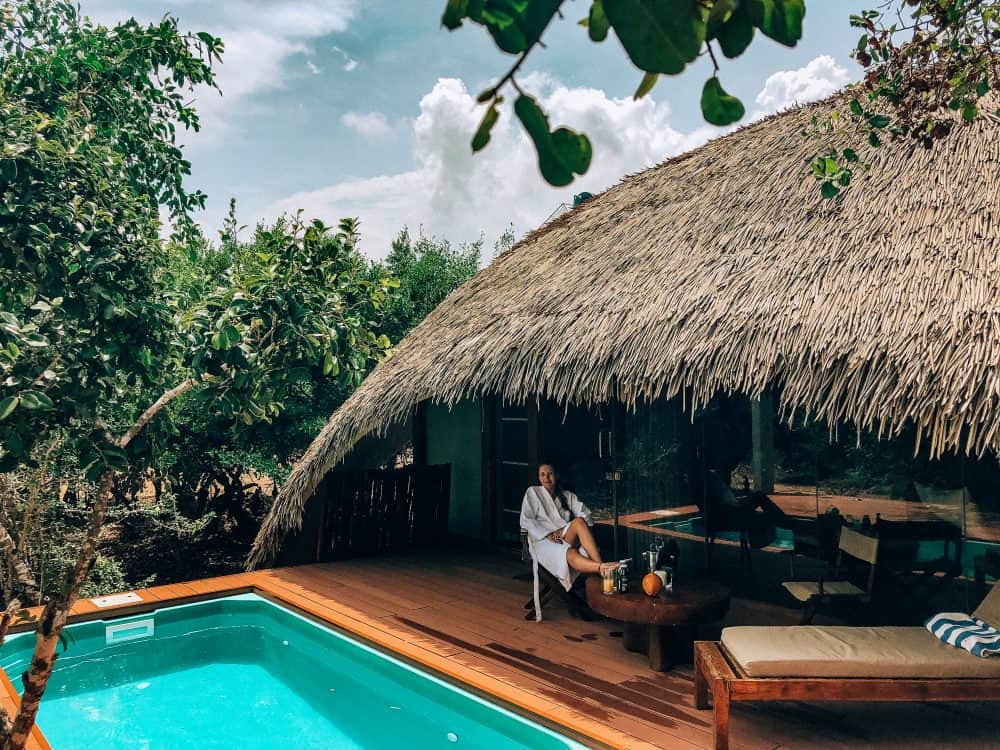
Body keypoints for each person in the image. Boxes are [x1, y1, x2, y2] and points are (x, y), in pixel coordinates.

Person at [520, 462, 621, 595]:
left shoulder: (568, 496)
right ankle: (601, 568)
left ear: (556, 476)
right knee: (570, 553)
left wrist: (563, 529)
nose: (546, 478)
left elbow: (586, 515)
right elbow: (526, 519)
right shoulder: (533, 492)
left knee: (579, 521)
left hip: (565, 537)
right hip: (543, 542)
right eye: (542, 475)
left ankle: (601, 568)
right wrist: (547, 534)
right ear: (539, 478)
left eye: (550, 474)